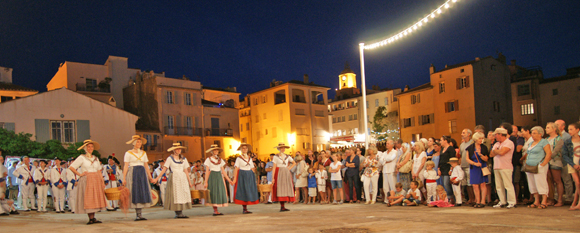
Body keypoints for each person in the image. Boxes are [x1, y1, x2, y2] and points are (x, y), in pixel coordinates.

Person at [68, 140, 107, 224]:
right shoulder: (82, 157)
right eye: (88, 147)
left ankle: (93, 217)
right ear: (85, 148)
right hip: (87, 179)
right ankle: (91, 218)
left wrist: (102, 181)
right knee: (89, 198)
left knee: (95, 198)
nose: (90, 148)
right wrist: (80, 174)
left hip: (95, 178)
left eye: (91, 146)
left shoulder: (95, 158)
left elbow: (99, 170)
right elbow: (71, 167)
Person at [152, 143, 193, 218]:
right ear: (174, 150)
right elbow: (164, 169)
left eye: (179, 149)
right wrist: (157, 178)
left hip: (182, 177)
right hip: (174, 177)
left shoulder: (183, 158)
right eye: (177, 149)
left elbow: (185, 170)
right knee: (176, 194)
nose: (179, 150)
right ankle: (178, 212)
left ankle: (181, 211)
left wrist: (189, 181)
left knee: (182, 194)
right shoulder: (170, 158)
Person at [122, 135, 155, 221]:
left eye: (140, 142)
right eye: (137, 142)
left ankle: (140, 214)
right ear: (134, 143)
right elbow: (126, 166)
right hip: (133, 172)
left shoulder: (143, 153)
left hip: (142, 173)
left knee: (142, 191)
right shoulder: (128, 153)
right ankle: (138, 214)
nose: (139, 143)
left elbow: (146, 165)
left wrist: (150, 176)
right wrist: (124, 178)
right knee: (135, 191)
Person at [525, 126, 552, 209]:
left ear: (540, 134)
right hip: (530, 166)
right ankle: (536, 201)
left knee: (541, 182)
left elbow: (549, 153)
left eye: (534, 133)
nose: (532, 135)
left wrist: (543, 164)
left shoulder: (544, 142)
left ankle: (544, 201)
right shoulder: (530, 143)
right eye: (532, 133)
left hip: (539, 165)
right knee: (532, 183)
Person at [490, 128, 517, 209]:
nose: (495, 136)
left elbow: (502, 152)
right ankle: (502, 201)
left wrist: (496, 151)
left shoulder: (509, 143)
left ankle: (512, 202)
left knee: (508, 185)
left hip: (506, 167)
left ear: (501, 134)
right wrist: (497, 151)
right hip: (497, 167)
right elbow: (491, 154)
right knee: (499, 186)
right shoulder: (496, 144)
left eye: (496, 134)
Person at [204, 145, 233, 216]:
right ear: (211, 151)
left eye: (217, 150)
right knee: (214, 192)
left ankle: (216, 210)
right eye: (214, 150)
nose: (216, 151)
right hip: (213, 176)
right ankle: (215, 210)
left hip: (219, 176)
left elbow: (223, 171)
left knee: (219, 191)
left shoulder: (220, 160)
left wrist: (229, 180)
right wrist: (205, 182)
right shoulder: (208, 159)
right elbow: (207, 171)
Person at [231, 143, 260, 214]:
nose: (245, 149)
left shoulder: (250, 158)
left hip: (249, 175)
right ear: (241, 150)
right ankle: (244, 208)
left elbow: (252, 167)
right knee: (243, 190)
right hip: (242, 175)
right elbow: (236, 168)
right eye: (243, 148)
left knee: (248, 190)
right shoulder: (239, 158)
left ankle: (246, 207)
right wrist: (235, 179)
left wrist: (252, 174)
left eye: (246, 148)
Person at [465, 132, 489, 208]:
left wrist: (480, 154)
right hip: (474, 167)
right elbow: (467, 159)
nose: (481, 140)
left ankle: (483, 201)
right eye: (479, 138)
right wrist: (475, 164)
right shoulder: (470, 148)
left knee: (483, 184)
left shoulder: (484, 147)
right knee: (475, 185)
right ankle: (477, 201)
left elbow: (486, 159)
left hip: (482, 167)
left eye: (482, 138)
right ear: (475, 139)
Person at [271, 143, 296, 211]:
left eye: (283, 148)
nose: (283, 149)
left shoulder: (287, 156)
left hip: (286, 172)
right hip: (279, 172)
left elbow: (294, 162)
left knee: (285, 188)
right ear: (279, 149)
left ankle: (283, 206)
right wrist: (272, 178)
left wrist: (289, 168)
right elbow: (274, 167)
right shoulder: (276, 157)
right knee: (280, 188)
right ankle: (282, 206)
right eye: (281, 148)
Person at [562, 122, 580, 210]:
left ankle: (576, 203)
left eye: (571, 129)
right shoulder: (567, 141)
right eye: (568, 129)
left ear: (577, 130)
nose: (569, 131)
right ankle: (576, 203)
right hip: (572, 164)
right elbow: (565, 155)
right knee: (577, 182)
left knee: (579, 184)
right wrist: (573, 164)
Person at [545, 122, 564, 207]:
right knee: (549, 181)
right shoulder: (546, 139)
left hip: (555, 161)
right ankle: (551, 199)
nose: (546, 129)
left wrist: (547, 157)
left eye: (548, 127)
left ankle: (560, 199)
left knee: (557, 181)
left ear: (554, 129)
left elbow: (556, 151)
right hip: (547, 162)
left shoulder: (559, 139)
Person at [556, 119, 574, 205]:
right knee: (557, 180)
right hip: (557, 162)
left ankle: (569, 198)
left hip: (565, 161)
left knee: (567, 180)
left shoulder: (567, 136)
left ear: (563, 126)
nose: (555, 126)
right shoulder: (556, 136)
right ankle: (557, 197)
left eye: (557, 125)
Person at [379, 140, 398, 204]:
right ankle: (386, 199)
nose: (387, 145)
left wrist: (384, 160)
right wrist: (384, 161)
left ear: (392, 145)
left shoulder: (394, 152)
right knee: (385, 186)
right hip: (385, 170)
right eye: (386, 143)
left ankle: (393, 198)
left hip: (391, 170)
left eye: (388, 144)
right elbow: (380, 160)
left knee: (392, 185)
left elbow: (391, 158)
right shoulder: (384, 153)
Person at [459, 129, 475, 206]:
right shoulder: (462, 144)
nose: (462, 134)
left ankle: (474, 198)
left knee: (471, 183)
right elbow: (460, 155)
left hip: (470, 165)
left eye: (463, 133)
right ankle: (470, 198)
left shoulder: (472, 143)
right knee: (465, 184)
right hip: (463, 165)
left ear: (469, 134)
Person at [438, 136, 455, 203]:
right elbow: (440, 159)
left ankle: (451, 197)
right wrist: (438, 168)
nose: (440, 142)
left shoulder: (451, 149)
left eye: (441, 140)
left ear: (445, 140)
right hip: (442, 168)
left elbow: (453, 159)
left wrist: (451, 169)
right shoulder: (442, 149)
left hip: (448, 168)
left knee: (446, 183)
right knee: (443, 184)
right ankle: (447, 198)